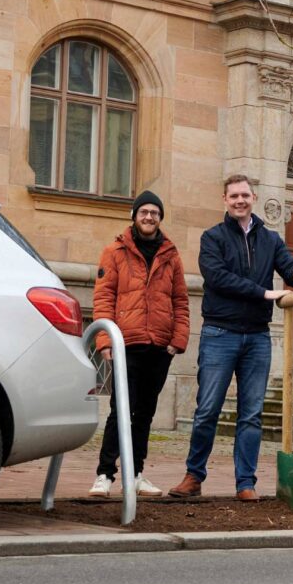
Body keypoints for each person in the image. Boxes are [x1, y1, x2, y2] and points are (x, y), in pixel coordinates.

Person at [169, 174, 293, 502]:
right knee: (207, 409)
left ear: (253, 198)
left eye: (244, 195)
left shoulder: (270, 239)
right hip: (220, 333)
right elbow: (218, 278)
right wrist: (263, 293)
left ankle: (245, 483)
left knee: (251, 414)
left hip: (257, 337)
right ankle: (194, 476)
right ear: (225, 200)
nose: (240, 201)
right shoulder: (212, 238)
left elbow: (287, 265)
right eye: (233, 196)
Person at [89, 190, 190, 498]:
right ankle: (105, 475)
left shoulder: (171, 254)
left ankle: (135, 475)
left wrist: (178, 340)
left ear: (160, 218)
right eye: (144, 212)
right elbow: (103, 297)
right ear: (134, 216)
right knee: (120, 411)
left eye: (154, 213)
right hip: (126, 344)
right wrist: (104, 339)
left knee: (145, 414)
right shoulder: (115, 251)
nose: (149, 217)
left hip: (159, 346)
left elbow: (180, 300)